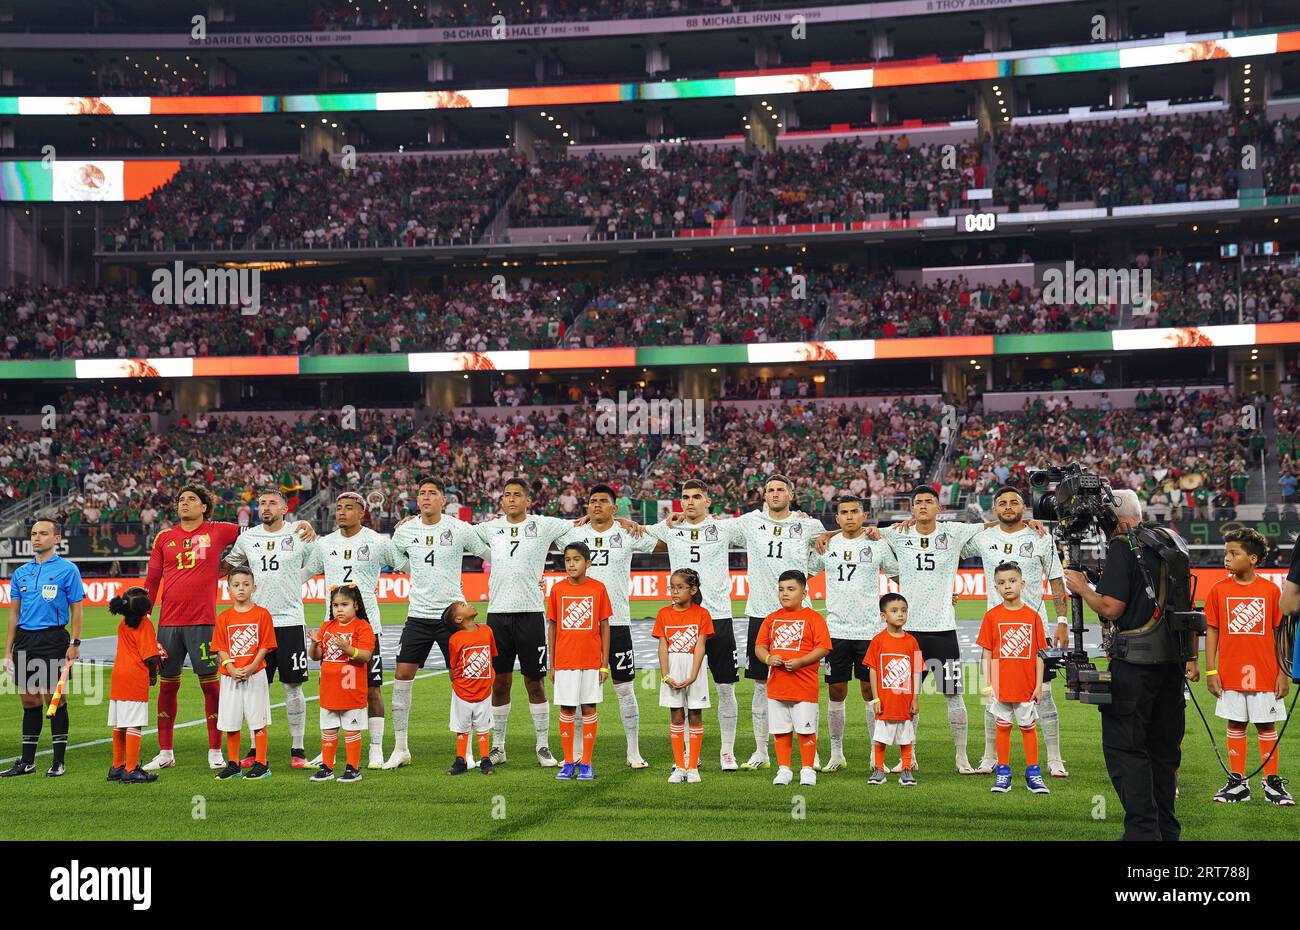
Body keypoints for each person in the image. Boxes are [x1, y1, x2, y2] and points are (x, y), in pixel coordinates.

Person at [143, 484, 313, 772]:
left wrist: (301, 524)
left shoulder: (223, 530)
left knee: (275, 686)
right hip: (183, 623)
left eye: (191, 499)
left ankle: (276, 749)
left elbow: (294, 548)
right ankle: (172, 752)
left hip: (260, 621)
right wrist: (145, 616)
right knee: (183, 687)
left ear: (204, 506)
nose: (185, 504)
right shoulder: (165, 537)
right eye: (181, 500)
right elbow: (156, 579)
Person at [1064, 488, 1197, 840]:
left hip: (1135, 665)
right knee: (1164, 753)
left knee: (1127, 750)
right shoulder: (1171, 540)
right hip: (1171, 663)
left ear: (1113, 518)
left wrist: (1082, 587)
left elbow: (1111, 608)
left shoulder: (1125, 546)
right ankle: (1166, 832)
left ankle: (1141, 834)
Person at [878, 485, 987, 773]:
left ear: (939, 507)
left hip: (943, 630)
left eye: (929, 502)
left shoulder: (953, 531)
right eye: (918, 502)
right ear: (911, 509)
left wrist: (1029, 522)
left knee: (954, 694)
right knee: (907, 696)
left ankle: (961, 757)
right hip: (910, 633)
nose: (923, 506)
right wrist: (824, 535)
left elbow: (992, 524)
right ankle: (908, 756)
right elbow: (865, 532)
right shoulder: (898, 534)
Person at [473, 477, 580, 768]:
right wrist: (416, 519)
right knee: (500, 682)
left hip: (531, 614)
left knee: (535, 681)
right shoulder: (490, 527)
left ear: (528, 501)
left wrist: (615, 519)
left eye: (517, 495)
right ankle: (498, 747)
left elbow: (580, 524)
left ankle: (543, 747)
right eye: (506, 495)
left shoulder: (543, 524)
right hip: (497, 614)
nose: (510, 499)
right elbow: (458, 533)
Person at [964, 486, 1070, 777]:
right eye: (1002, 503)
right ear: (995, 509)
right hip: (997, 630)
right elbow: (950, 545)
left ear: (1024, 507)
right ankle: (989, 758)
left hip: (1034, 630)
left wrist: (1062, 621)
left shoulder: (1040, 537)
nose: (1008, 507)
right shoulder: (984, 538)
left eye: (1014, 502)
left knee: (1044, 695)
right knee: (992, 697)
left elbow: (1057, 581)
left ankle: (1055, 758)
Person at [387, 477, 491, 769]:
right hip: (418, 614)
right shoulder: (405, 531)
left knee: (462, 680)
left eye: (433, 493)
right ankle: (401, 747)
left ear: (444, 500)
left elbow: (488, 552)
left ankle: (466, 751)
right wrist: (418, 572)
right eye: (422, 493)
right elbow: (398, 562)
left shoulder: (459, 528)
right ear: (417, 499)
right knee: (402, 676)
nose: (427, 497)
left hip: (451, 617)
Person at [645, 480, 742, 770]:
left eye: (696, 497)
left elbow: (763, 524)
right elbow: (634, 531)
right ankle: (689, 753)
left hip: (719, 617)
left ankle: (727, 752)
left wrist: (802, 517)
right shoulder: (670, 528)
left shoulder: (723, 528)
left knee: (726, 688)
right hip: (683, 623)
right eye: (685, 497)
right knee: (682, 690)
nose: (689, 502)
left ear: (707, 501)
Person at [302, 492, 402, 769]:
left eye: (349, 508)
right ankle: (328, 752)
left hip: (368, 627)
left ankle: (375, 749)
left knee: (372, 689)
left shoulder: (377, 542)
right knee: (331, 689)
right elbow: (305, 573)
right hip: (332, 628)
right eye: (339, 508)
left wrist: (407, 531)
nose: (342, 512)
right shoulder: (325, 544)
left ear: (362, 512)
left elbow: (405, 562)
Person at [561, 484, 658, 769]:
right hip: (581, 626)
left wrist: (636, 524)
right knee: (578, 691)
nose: (597, 505)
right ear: (587, 506)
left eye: (604, 501)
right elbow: (545, 535)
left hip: (617, 623)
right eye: (593, 501)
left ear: (614, 508)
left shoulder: (627, 533)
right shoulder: (575, 533)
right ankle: (577, 750)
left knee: (624, 688)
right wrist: (571, 522)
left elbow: (662, 541)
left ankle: (633, 751)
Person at [224, 489, 317, 770]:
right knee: (255, 689)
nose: (265, 507)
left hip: (289, 622)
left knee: (293, 686)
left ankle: (297, 748)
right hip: (256, 623)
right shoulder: (248, 538)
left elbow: (317, 560)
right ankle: (254, 748)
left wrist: (296, 579)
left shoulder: (299, 534)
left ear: (284, 508)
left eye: (272, 503)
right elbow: (230, 565)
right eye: (261, 503)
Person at [806, 495, 897, 772]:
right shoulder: (827, 545)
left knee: (871, 691)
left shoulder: (877, 543)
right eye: (843, 512)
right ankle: (836, 752)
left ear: (863, 514)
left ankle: (874, 750)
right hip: (836, 631)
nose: (849, 516)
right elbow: (805, 571)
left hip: (870, 631)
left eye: (854, 511)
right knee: (836, 690)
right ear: (837, 518)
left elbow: (898, 572)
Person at [1203, 528, 1292, 805]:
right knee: (1236, 722)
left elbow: (1281, 633)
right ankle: (1238, 781)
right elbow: (1212, 630)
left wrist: (1283, 672)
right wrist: (1210, 670)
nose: (1227, 558)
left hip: (1266, 672)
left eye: (1234, 553)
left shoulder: (1270, 590)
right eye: (1226, 552)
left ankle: (1272, 782)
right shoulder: (1218, 590)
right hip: (1230, 673)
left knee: (1266, 725)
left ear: (1252, 558)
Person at [1, 519, 84, 778]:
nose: (37, 538)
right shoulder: (20, 573)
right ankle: (27, 761)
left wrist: (75, 643)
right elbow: (13, 614)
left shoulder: (67, 570)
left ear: (56, 538)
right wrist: (7, 651)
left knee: (54, 698)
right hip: (25, 640)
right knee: (29, 700)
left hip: (54, 639)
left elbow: (77, 609)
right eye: (34, 534)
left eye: (43, 533)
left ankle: (58, 761)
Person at [976, 562, 1050, 795]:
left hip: (1026, 686)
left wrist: (1039, 685)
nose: (1007, 586)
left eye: (1012, 581)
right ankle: (1003, 773)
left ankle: (1033, 773)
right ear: (996, 588)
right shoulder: (991, 617)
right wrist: (987, 684)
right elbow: (987, 653)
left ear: (1022, 583)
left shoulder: (1033, 617)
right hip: (1001, 686)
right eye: (1001, 583)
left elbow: (1039, 654)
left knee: (1028, 728)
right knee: (1003, 727)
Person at [753, 570, 830, 787]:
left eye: (790, 589)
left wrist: (801, 662)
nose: (784, 594)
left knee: (805, 730)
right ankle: (784, 769)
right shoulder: (771, 619)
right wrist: (768, 658)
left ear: (804, 593)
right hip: (777, 686)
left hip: (804, 686)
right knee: (781, 730)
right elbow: (759, 646)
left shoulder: (813, 618)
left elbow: (824, 647)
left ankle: (807, 769)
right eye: (781, 589)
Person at [546, 542, 612, 781]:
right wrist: (553, 664)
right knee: (566, 709)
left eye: (576, 559)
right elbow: (552, 627)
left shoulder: (598, 589)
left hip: (592, 661)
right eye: (567, 560)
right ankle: (569, 761)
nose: (571, 564)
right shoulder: (558, 590)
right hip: (565, 661)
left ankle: (586, 762)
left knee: (589, 709)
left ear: (588, 563)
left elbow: (604, 626)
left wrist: (604, 663)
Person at [211, 567, 276, 781]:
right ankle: (233, 763)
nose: (241, 589)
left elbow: (265, 645)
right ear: (228, 589)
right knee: (231, 721)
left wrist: (251, 667)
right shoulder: (224, 617)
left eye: (246, 584)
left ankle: (262, 763)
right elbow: (220, 647)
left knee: (258, 720)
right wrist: (230, 667)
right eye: (236, 585)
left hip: (255, 675)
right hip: (231, 676)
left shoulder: (262, 614)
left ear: (254, 588)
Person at [308, 585, 375, 783]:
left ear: (356, 605)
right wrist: (313, 644)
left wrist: (348, 648)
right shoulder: (327, 627)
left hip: (351, 691)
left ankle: (353, 768)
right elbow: (316, 656)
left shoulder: (362, 627)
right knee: (328, 730)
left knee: (351, 730)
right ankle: (327, 767)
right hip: (329, 689)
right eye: (335, 605)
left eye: (344, 604)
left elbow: (365, 656)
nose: (339, 609)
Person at [653, 568, 713, 784]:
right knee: (676, 716)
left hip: (693, 669)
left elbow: (700, 646)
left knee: (695, 715)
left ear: (693, 589)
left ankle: (693, 767)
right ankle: (679, 767)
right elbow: (662, 646)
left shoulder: (702, 614)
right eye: (672, 587)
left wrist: (694, 675)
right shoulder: (663, 614)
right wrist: (665, 675)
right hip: (673, 669)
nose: (674, 592)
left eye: (680, 587)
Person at [864, 593, 922, 787]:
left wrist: (915, 698)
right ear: (883, 616)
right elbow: (872, 670)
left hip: (904, 701)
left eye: (904, 611)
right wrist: (876, 698)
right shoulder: (878, 641)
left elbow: (916, 672)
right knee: (880, 737)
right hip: (885, 700)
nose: (900, 615)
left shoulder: (912, 642)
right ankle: (879, 770)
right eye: (894, 611)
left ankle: (906, 770)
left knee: (906, 737)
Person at [105, 587, 160, 785]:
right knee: (134, 724)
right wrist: (153, 675)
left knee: (119, 723)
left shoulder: (123, 623)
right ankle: (130, 770)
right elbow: (151, 656)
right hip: (135, 676)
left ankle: (117, 766)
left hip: (118, 676)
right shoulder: (144, 624)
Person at [444, 600, 497, 776]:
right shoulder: (455, 639)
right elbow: (453, 667)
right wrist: (460, 684)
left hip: (484, 690)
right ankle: (461, 760)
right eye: (463, 605)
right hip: (462, 691)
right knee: (462, 727)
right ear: (458, 619)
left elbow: (491, 656)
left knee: (483, 727)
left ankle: (485, 759)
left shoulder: (487, 631)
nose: (469, 605)